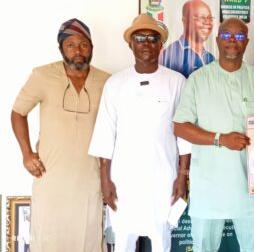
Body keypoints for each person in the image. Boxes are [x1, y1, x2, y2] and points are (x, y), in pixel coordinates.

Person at [88, 13, 190, 251]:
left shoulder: (176, 82)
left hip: (163, 177)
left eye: (152, 38)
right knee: (124, 240)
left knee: (161, 239)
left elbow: (184, 134)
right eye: (140, 37)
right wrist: (105, 179)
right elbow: (106, 132)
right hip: (123, 179)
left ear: (160, 45)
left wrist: (182, 176)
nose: (146, 43)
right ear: (130, 44)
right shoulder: (115, 84)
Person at [173, 17, 254, 252]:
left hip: (250, 190)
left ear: (246, 42)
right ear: (217, 40)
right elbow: (180, 126)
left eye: (239, 37)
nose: (232, 41)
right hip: (208, 189)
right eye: (227, 35)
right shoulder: (198, 79)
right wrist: (220, 139)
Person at [11, 18, 110, 251]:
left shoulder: (106, 82)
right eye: (71, 45)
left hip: (89, 179)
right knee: (48, 239)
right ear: (61, 48)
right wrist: (27, 154)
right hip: (50, 177)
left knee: (88, 240)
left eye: (84, 45)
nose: (78, 51)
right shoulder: (42, 75)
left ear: (92, 48)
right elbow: (17, 112)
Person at [160, 0, 215, 78]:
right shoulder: (172, 55)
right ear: (185, 21)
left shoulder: (210, 57)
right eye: (201, 18)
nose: (207, 22)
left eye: (210, 18)